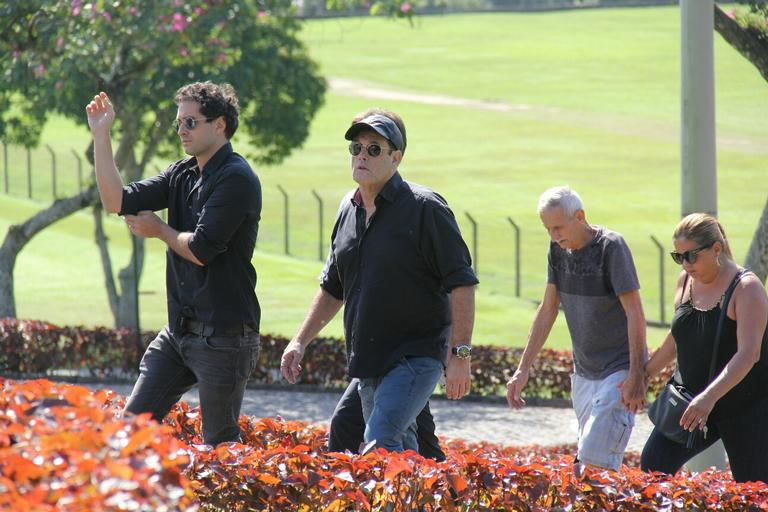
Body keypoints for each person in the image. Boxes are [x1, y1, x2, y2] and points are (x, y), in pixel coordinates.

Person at [280, 108, 478, 453]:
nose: (362, 156)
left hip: (413, 357)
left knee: (380, 442)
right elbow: (333, 286)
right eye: (356, 148)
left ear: (396, 158)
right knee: (350, 434)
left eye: (374, 149)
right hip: (369, 360)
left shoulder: (425, 208)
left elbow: (461, 283)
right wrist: (300, 341)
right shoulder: (348, 208)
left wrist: (460, 354)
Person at [85, 82, 262, 445]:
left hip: (225, 337)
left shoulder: (236, 178)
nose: (181, 130)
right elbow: (116, 200)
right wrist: (101, 136)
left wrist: (159, 229)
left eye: (191, 123)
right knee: (129, 431)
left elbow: (201, 249)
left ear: (220, 125)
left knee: (220, 447)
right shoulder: (181, 172)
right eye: (178, 123)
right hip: (179, 333)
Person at [506, 186, 648, 471]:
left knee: (593, 463)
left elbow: (635, 312)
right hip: (582, 375)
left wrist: (636, 374)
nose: (554, 235)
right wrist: (523, 369)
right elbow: (547, 309)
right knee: (596, 472)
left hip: (617, 373)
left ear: (580, 216)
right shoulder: (557, 251)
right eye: (548, 229)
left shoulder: (612, 247)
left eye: (558, 227)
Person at [641, 213, 768, 483]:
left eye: (691, 256)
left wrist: (709, 398)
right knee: (652, 468)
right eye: (679, 256)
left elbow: (749, 354)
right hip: (693, 402)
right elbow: (679, 338)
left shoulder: (747, 288)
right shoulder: (685, 281)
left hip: (745, 404)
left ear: (717, 249)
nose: (685, 264)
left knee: (754, 488)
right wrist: (643, 375)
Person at [328, 378, 445, 460]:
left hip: (405, 357)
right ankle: (345, 489)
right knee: (344, 421)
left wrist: (458, 358)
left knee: (419, 437)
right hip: (370, 358)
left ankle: (445, 489)